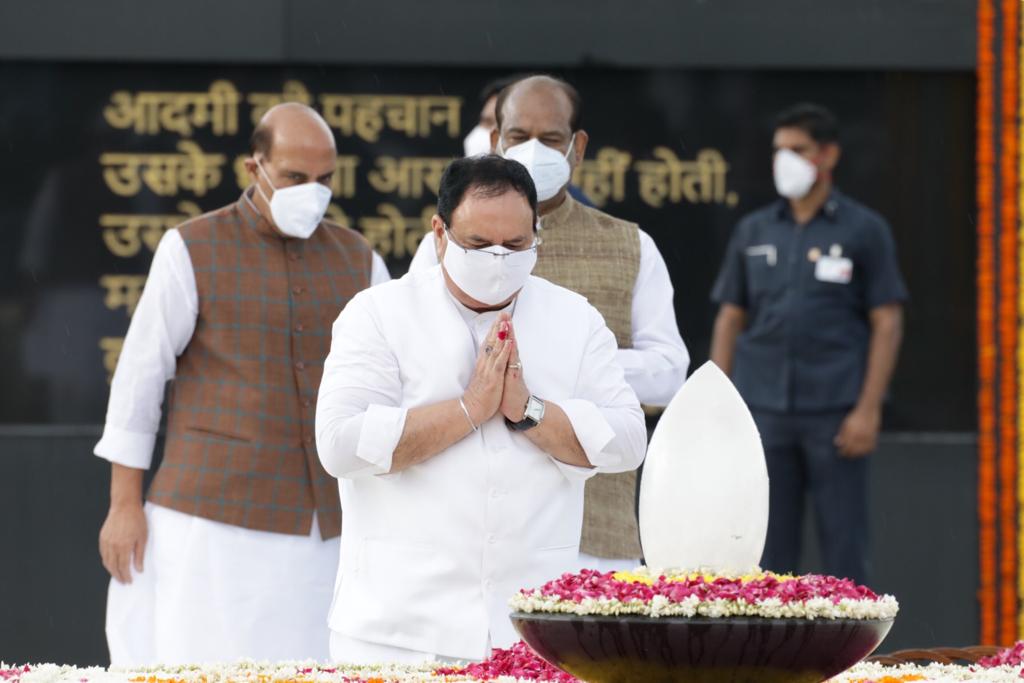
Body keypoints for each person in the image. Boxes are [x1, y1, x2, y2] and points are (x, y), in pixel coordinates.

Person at [316, 155, 647, 664]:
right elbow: (339, 445)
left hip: (533, 629)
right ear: (440, 233)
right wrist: (468, 410)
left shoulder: (575, 319)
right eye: (477, 245)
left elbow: (627, 442)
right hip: (398, 631)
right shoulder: (378, 314)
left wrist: (528, 410)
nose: (498, 259)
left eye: (515, 246)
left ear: (537, 234)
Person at [94, 103, 389, 665]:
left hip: (327, 531)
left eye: (325, 179)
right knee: (201, 664)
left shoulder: (361, 258)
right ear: (255, 169)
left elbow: (390, 386)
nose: (313, 191)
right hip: (207, 521)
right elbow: (139, 377)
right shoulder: (191, 247)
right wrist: (123, 504)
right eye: (294, 177)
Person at [413, 75, 689, 572]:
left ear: (577, 147)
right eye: (518, 137)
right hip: (466, 524)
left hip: (595, 526)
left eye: (552, 138)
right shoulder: (447, 243)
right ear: (496, 141)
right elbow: (416, 351)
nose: (532, 150)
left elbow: (669, 374)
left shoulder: (630, 246)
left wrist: (553, 367)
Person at [709, 103, 907, 585]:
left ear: (829, 155)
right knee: (768, 552)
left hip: (836, 413)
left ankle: (851, 658)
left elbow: (887, 320)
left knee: (845, 550)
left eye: (798, 150)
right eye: (779, 150)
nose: (786, 160)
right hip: (764, 409)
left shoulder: (864, 229)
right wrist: (719, 402)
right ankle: (770, 658)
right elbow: (731, 316)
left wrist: (868, 409)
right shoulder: (754, 229)